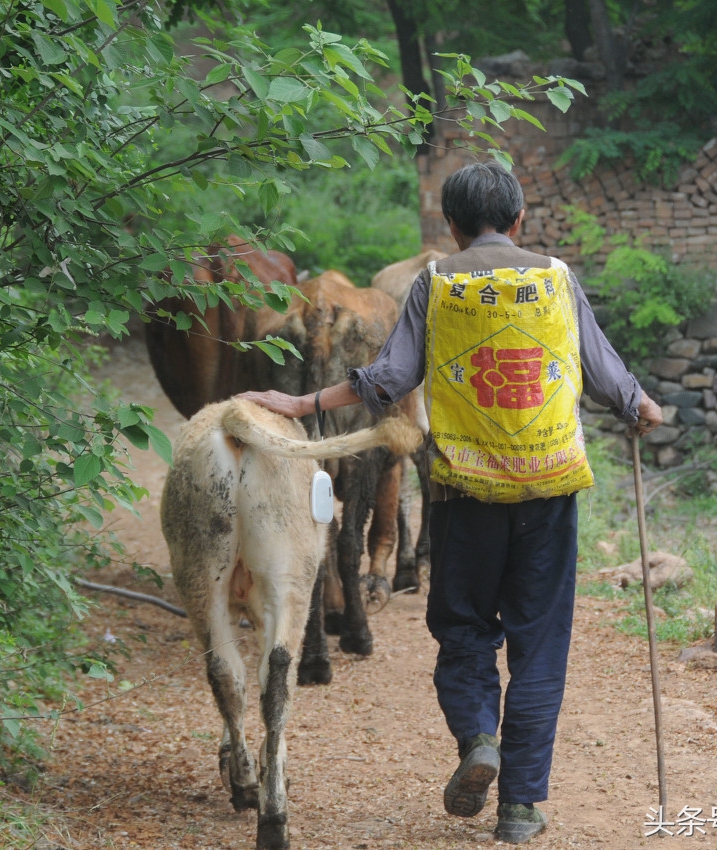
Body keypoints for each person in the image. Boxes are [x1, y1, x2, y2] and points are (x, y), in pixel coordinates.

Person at [237, 160, 663, 844]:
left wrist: (301, 401)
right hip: (549, 490)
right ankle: (520, 808)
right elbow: (606, 371)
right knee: (539, 645)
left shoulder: (437, 281)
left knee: (464, 627)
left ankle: (477, 739)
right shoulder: (555, 276)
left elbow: (391, 378)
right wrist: (640, 404)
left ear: (454, 229)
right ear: (520, 219)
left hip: (465, 492)